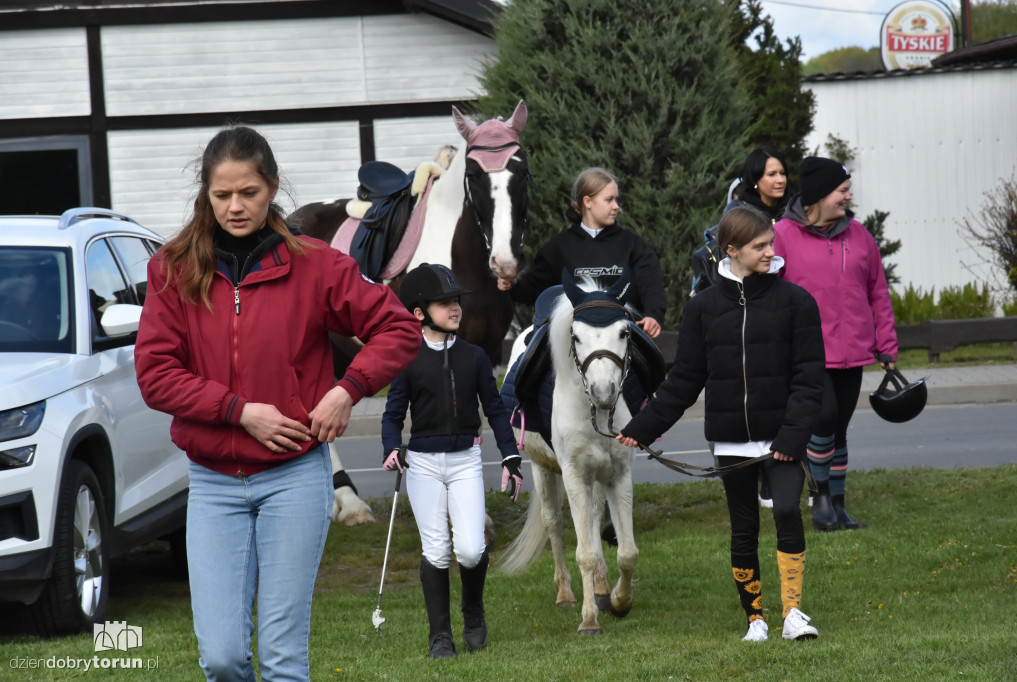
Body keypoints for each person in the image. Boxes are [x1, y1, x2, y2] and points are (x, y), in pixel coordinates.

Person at [134, 126, 422, 681]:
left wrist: (347, 390)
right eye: (222, 196)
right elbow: (155, 375)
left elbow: (397, 329)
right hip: (214, 480)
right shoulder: (171, 269)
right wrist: (239, 410)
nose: (236, 206)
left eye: (249, 193)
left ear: (272, 189)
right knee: (221, 657)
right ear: (206, 195)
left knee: (283, 659)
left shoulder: (317, 266)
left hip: (294, 477)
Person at [617, 205, 825, 643]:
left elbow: (810, 380)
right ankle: (756, 620)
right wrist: (642, 426)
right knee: (744, 527)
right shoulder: (704, 309)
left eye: (771, 243)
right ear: (731, 250)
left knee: (787, 510)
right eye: (760, 246)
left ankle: (793, 613)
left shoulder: (797, 303)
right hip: (732, 442)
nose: (771, 251)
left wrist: (791, 436)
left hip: (783, 439)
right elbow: (685, 381)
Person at [382, 263, 523, 660]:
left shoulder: (475, 357)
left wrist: (510, 456)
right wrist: (391, 447)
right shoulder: (407, 358)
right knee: (438, 550)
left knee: (472, 550)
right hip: (423, 465)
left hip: (465, 461)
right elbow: (393, 415)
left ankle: (473, 612)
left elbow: (495, 411)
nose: (455, 308)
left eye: (456, 301)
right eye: (445, 303)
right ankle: (440, 636)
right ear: (419, 312)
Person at [773, 156, 898, 532]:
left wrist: (886, 346)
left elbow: (878, 292)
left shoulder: (859, 235)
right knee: (822, 418)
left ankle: (839, 505)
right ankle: (820, 498)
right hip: (808, 352)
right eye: (842, 190)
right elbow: (770, 293)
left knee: (840, 427)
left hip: (853, 350)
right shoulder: (782, 234)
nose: (848, 197)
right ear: (819, 195)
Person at [497, 166, 666, 340]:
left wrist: (653, 315)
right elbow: (535, 290)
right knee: (525, 363)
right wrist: (513, 285)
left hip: (623, 339)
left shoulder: (633, 245)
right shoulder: (557, 248)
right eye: (609, 200)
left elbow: (651, 284)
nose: (616, 207)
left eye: (616, 200)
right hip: (570, 341)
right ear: (587, 202)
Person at [691, 147, 791, 298]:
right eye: (772, 174)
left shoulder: (792, 212)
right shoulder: (737, 213)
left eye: (782, 173)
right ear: (755, 180)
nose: (780, 180)